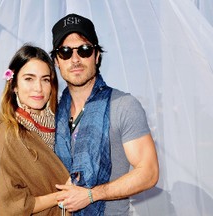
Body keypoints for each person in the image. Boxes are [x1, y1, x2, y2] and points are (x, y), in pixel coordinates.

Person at [50, 13, 159, 215]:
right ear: (57, 60)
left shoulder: (123, 105)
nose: (75, 59)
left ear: (97, 55)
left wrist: (91, 194)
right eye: (65, 51)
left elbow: (149, 172)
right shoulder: (53, 113)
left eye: (84, 50)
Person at [0, 44, 71, 215]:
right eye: (29, 78)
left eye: (45, 79)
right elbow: (11, 205)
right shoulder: (9, 135)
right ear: (14, 85)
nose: (38, 88)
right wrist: (63, 195)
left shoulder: (65, 125)